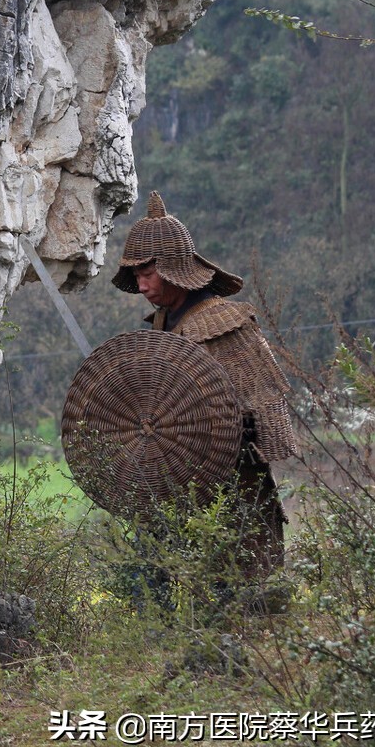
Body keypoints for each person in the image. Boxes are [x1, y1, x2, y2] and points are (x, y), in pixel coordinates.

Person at [112, 191, 298, 584]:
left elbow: (259, 406)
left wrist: (230, 431)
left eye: (148, 274)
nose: (142, 286)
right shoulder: (165, 324)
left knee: (242, 591)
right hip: (179, 483)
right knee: (157, 588)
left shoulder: (225, 323)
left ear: (174, 269)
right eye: (138, 277)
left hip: (233, 484)